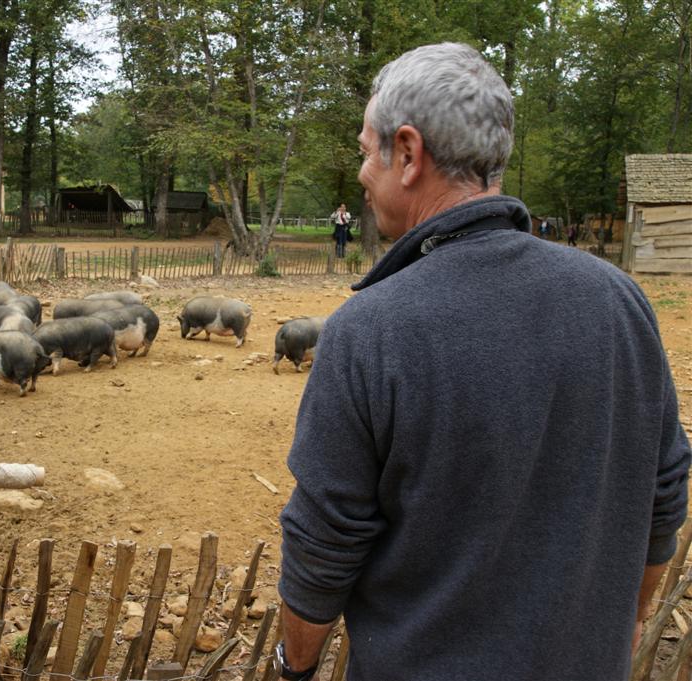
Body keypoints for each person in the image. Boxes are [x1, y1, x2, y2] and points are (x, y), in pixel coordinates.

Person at [275, 43, 690, 681]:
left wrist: (294, 666)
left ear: (407, 153)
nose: (361, 172)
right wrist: (623, 622)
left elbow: (324, 542)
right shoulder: (619, 300)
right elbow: (665, 493)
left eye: (365, 151)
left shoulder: (371, 329)